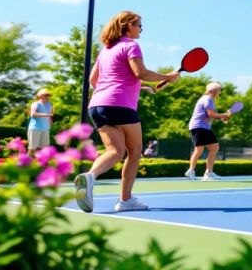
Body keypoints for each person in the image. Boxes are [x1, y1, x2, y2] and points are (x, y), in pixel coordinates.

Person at [73, 11, 180, 213]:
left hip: (97, 106)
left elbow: (94, 81)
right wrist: (168, 76)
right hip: (120, 105)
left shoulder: (106, 50)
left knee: (115, 151)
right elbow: (141, 73)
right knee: (135, 151)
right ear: (128, 25)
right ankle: (125, 200)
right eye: (139, 25)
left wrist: (138, 88)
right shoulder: (131, 45)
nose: (141, 29)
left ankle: (90, 177)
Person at [185, 82, 231, 181]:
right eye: (219, 90)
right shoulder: (208, 99)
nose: (220, 92)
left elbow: (208, 115)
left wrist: (222, 118)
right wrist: (223, 115)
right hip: (200, 127)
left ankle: (205, 172)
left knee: (211, 147)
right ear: (213, 91)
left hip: (199, 126)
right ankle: (198, 171)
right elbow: (211, 114)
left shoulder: (205, 99)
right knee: (204, 149)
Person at [27, 88, 54, 156]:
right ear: (40, 96)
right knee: (32, 148)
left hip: (45, 129)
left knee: (45, 149)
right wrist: (47, 115)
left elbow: (50, 116)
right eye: (45, 95)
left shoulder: (50, 104)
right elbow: (33, 114)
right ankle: (25, 164)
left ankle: (42, 165)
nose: (47, 96)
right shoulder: (35, 104)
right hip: (35, 128)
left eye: (48, 95)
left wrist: (50, 123)